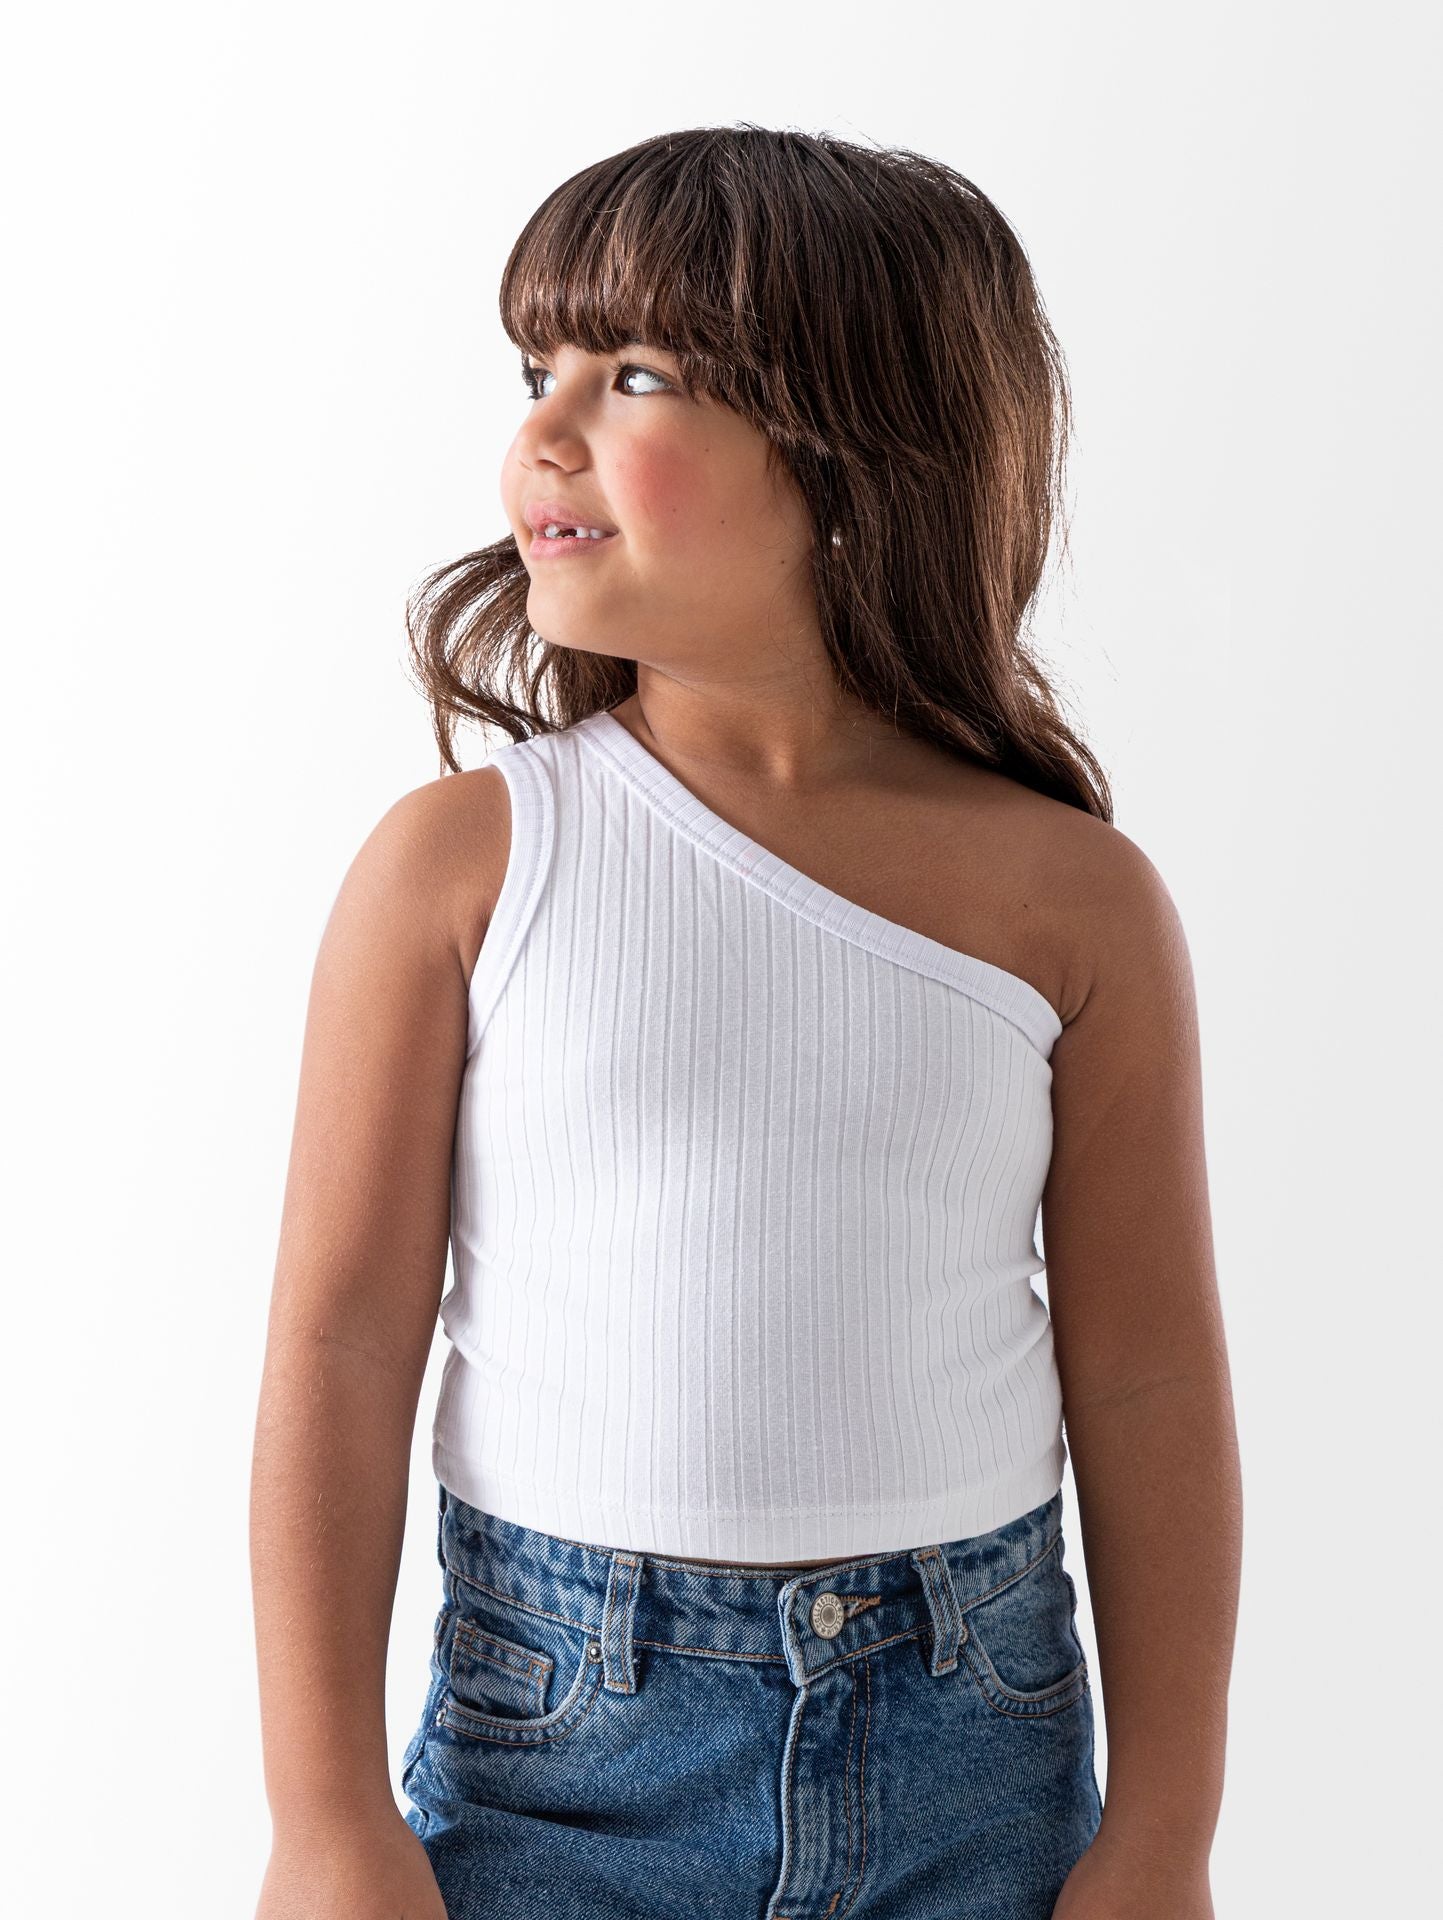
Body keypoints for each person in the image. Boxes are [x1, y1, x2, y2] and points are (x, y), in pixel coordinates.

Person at [251, 125, 1242, 1920]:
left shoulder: (1074, 902)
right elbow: (340, 1346)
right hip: (558, 1763)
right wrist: (326, 1821)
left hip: (974, 1758)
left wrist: (1163, 1833)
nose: (545, 433)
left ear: (854, 446)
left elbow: (1151, 1379)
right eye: (537, 371)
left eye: (632, 375)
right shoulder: (463, 868)